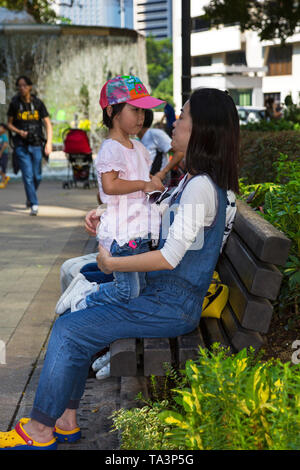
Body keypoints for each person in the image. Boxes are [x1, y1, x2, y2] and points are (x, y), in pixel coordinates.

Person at [0, 87, 239, 449]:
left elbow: (169, 257)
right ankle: (63, 419)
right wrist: (105, 213)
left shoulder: (200, 189)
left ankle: (40, 429)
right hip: (161, 293)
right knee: (77, 319)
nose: (174, 122)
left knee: (69, 329)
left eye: (184, 116)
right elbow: (154, 216)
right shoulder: (193, 181)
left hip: (170, 305)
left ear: (201, 129)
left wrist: (112, 262)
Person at [55, 75, 165, 315]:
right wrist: (143, 184)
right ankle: (84, 295)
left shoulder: (138, 147)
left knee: (139, 286)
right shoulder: (111, 148)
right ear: (112, 110)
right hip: (122, 231)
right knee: (128, 290)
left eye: (143, 111)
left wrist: (153, 184)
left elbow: (142, 184)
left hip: (140, 226)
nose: (141, 117)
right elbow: (110, 186)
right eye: (135, 110)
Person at [7, 76, 53, 216]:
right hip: (21, 145)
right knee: (27, 175)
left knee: (37, 176)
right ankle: (34, 203)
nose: (22, 88)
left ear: (30, 87)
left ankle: (30, 196)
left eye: (24, 85)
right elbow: (9, 123)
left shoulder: (38, 103)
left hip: (37, 143)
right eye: (19, 86)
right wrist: (19, 131)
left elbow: (48, 124)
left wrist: (49, 143)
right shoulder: (14, 103)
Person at [137, 108, 184, 186]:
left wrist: (163, 172)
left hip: (158, 184)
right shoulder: (137, 141)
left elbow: (180, 152)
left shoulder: (154, 134)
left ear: (141, 119)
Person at [0, 123, 10, 188]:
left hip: (3, 154)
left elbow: (5, 144)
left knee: (3, 167)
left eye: (0, 128)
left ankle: (3, 182)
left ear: (4, 129)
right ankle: (5, 177)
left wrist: (0, 153)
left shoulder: (4, 136)